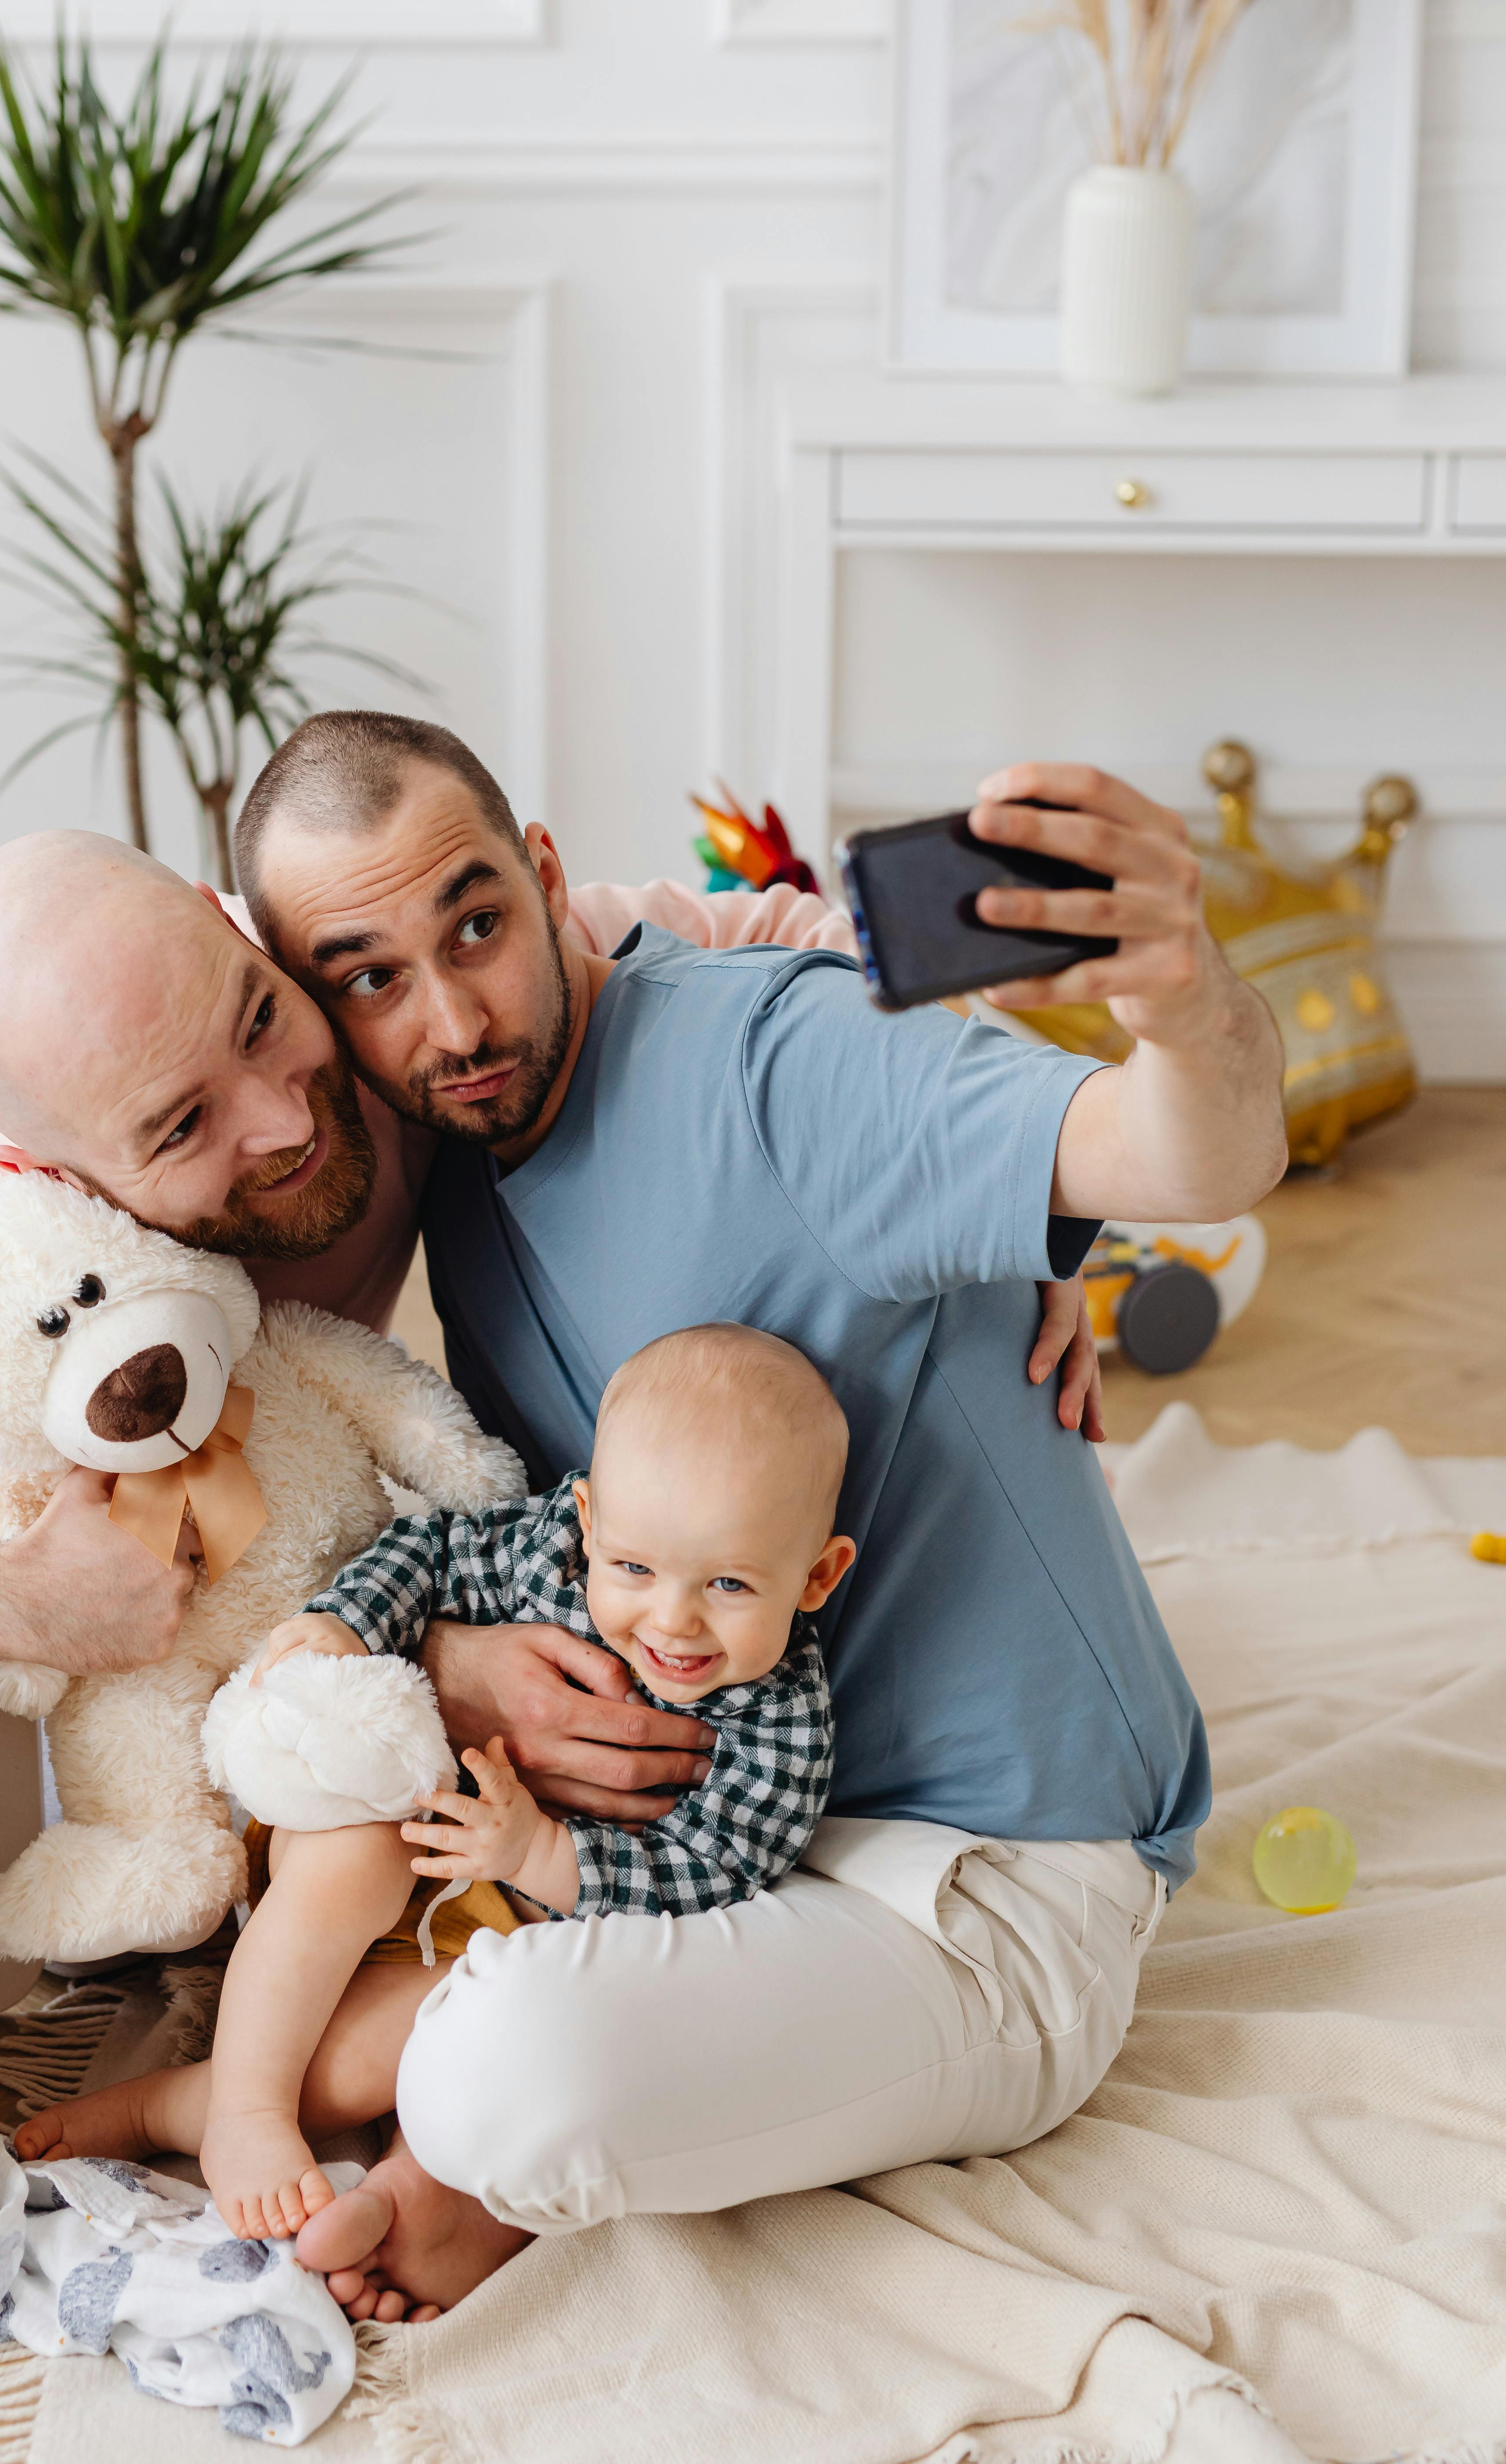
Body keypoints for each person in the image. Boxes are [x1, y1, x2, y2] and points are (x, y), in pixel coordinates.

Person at [201, 712, 1288, 2322]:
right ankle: (448, 2133)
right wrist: (460, 1657)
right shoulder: (457, 1178)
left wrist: (1182, 999)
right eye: (365, 977)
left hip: (982, 1876)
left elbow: (1189, 1150)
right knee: (329, 1976)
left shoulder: (779, 1063)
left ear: (546, 879)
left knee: (489, 2073)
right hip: (715, 1849)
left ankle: (489, 2169)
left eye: (478, 927)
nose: (450, 1018)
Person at [0, 836, 1092, 1691]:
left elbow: (760, 935)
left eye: (252, 1016)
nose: (291, 1113)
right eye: (181, 1125)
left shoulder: (355, 988)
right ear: (67, 1170)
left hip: (299, 1490)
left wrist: (1024, 1215)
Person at [11, 1322, 854, 2262]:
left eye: (731, 1584)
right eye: (635, 1569)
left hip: (513, 1936)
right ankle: (242, 2106)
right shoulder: (549, 1556)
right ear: (587, 1521)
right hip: (393, 1844)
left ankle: (341, 2163)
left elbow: (722, 1875)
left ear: (818, 1575)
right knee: (354, 1852)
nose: (672, 1619)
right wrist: (346, 1624)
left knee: (470, 2030)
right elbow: (430, 1550)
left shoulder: (781, 1721)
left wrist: (542, 1855)